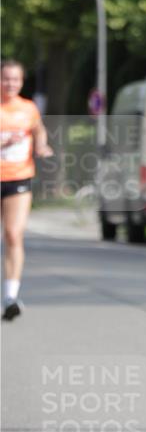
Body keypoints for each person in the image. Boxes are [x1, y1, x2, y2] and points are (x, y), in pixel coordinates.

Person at [1, 59, 53, 321]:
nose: (10, 83)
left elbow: (38, 130)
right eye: (5, 78)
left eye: (15, 79)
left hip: (19, 178)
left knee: (13, 234)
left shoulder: (28, 108)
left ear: (21, 82)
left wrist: (41, 146)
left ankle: (10, 296)